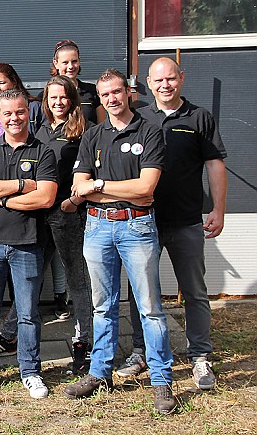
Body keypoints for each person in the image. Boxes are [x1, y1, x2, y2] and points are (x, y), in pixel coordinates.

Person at [64, 69, 177, 415]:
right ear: (99, 99)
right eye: (105, 94)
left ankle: (161, 379)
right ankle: (100, 372)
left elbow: (146, 188)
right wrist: (106, 190)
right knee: (102, 305)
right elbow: (77, 187)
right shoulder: (92, 135)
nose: (112, 98)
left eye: (117, 92)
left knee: (150, 308)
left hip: (136, 226)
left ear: (128, 92)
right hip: (98, 228)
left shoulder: (149, 131)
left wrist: (98, 186)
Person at [117, 57, 227, 391]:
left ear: (181, 78)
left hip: (186, 220)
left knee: (194, 292)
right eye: (158, 80)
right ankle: (141, 352)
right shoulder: (139, 117)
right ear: (148, 84)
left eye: (171, 79)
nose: (165, 85)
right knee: (142, 292)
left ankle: (200, 356)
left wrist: (218, 209)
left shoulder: (199, 117)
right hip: (143, 222)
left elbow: (215, 165)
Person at [0, 89, 58, 400]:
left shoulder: (43, 152)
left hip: (27, 244)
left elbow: (45, 197)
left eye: (19, 112)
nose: (14, 118)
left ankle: (30, 371)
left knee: (28, 313)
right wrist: (21, 186)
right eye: (7, 113)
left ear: (28, 112)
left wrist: (2, 198)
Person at [35, 76, 94, 372]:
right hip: (41, 212)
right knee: (32, 274)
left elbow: (92, 172)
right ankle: (10, 332)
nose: (58, 102)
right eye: (52, 97)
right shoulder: (41, 129)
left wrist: (74, 202)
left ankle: (84, 341)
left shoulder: (85, 131)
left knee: (77, 279)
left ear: (72, 99)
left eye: (63, 97)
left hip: (69, 213)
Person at [49, 39, 105, 125]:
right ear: (55, 63)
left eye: (74, 61)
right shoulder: (47, 94)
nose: (70, 66)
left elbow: (101, 125)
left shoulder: (92, 91)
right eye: (65, 62)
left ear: (79, 61)